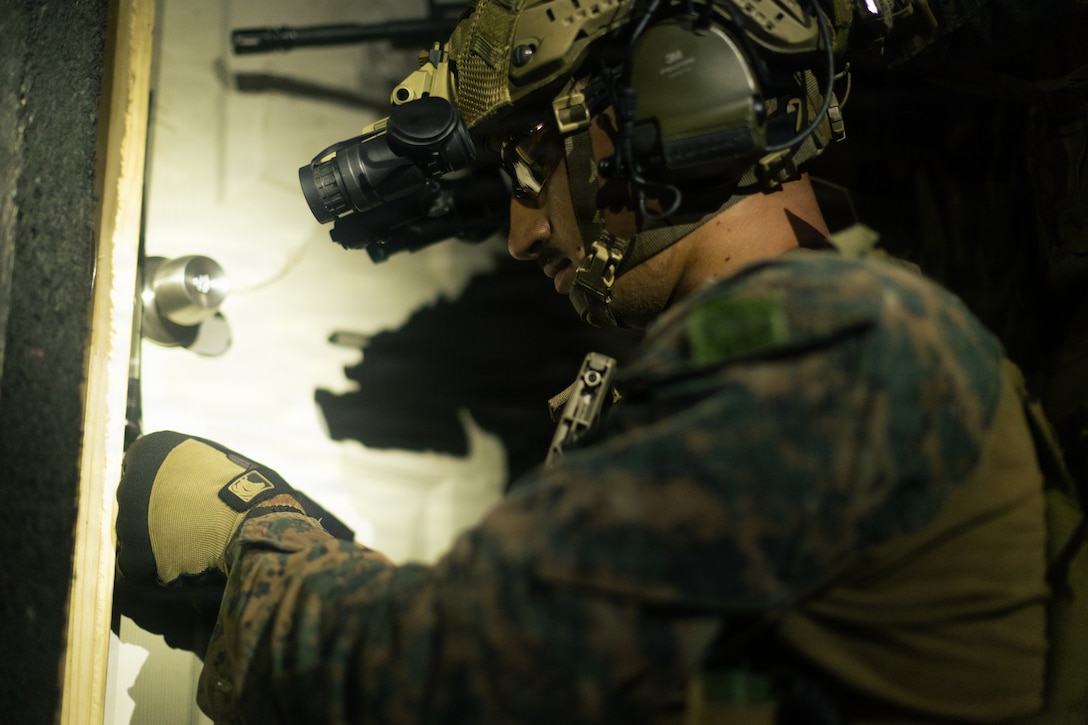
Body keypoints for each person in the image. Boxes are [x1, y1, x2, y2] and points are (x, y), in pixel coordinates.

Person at [114, 0, 1088, 722]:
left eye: (533, 163)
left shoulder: (831, 345)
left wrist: (245, 540)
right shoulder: (838, 336)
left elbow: (451, 680)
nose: (522, 230)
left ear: (647, 122)